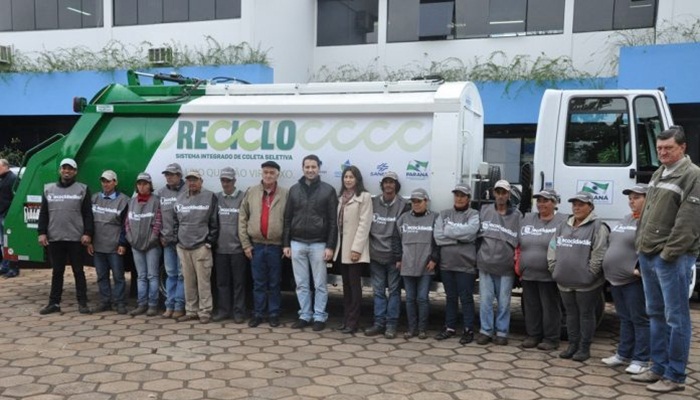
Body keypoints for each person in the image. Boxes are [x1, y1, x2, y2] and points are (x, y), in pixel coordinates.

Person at [632, 126, 700, 393]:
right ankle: (658, 368)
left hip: (672, 258)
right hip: (649, 254)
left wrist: (667, 255)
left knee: (677, 318)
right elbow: (649, 214)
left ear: (682, 148)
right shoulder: (661, 172)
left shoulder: (693, 175)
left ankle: (675, 376)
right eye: (659, 148)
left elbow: (688, 224)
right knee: (656, 314)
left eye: (668, 148)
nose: (662, 152)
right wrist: (641, 248)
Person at [547, 191, 609, 362]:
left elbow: (599, 253)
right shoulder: (563, 225)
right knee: (571, 314)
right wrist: (554, 268)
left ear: (590, 207)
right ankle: (572, 345)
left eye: (581, 204)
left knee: (586, 315)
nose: (577, 207)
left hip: (587, 283)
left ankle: (584, 348)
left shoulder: (598, 227)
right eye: (574, 204)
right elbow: (553, 247)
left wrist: (590, 274)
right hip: (564, 280)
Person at [283, 154, 338, 332]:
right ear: (302, 168)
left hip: (318, 244)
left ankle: (320, 316)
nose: (310, 170)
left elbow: (332, 222)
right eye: (307, 167)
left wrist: (330, 246)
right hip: (297, 243)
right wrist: (286, 244)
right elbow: (287, 218)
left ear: (319, 168)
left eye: (313, 167)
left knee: (320, 283)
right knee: (301, 283)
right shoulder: (294, 190)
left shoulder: (328, 190)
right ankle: (305, 315)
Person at [601, 184, 650, 374]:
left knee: (640, 319)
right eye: (630, 197)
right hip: (616, 280)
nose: (632, 201)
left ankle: (641, 359)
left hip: (633, 281)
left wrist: (638, 268)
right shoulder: (627, 218)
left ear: (648, 199)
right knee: (625, 318)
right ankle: (623, 354)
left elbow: (651, 248)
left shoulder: (648, 221)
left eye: (636, 197)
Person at [37, 158, 94, 315]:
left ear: (75, 172)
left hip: (76, 238)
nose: (67, 171)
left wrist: (88, 233)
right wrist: (41, 232)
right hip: (55, 238)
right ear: (60, 170)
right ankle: (54, 303)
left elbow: (88, 214)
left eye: (70, 169)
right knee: (57, 272)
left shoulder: (82, 189)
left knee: (78, 271)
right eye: (64, 168)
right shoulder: (48, 189)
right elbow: (43, 213)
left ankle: (82, 303)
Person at [239, 161, 289, 328]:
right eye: (266, 172)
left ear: (277, 175)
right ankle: (258, 314)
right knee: (258, 282)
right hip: (257, 246)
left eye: (272, 172)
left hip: (275, 247)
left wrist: (285, 244)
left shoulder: (285, 194)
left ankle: (274, 313)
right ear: (261, 173)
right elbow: (242, 218)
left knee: (274, 283)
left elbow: (289, 221)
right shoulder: (252, 192)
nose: (268, 175)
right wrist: (246, 245)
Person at [519, 189, 567, 350]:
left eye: (545, 201)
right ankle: (533, 335)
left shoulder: (563, 221)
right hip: (528, 273)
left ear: (554, 203)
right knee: (531, 306)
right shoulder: (527, 218)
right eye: (539, 201)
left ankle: (551, 339)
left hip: (549, 275)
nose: (541, 204)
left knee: (550, 307)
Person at [364, 171, 409, 339]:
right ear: (382, 185)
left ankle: (391, 325)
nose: (388, 185)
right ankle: (378, 324)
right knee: (378, 292)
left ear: (396, 185)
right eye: (386, 182)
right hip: (375, 255)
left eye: (392, 182)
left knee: (395, 292)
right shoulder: (373, 202)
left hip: (393, 257)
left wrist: (400, 256)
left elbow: (404, 233)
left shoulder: (404, 205)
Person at [476, 180, 521, 346]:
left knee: (504, 302)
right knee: (486, 300)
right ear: (494, 193)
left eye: (504, 192)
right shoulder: (485, 210)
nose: (501, 196)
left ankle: (502, 332)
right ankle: (485, 331)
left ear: (509, 195)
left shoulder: (517, 215)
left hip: (506, 266)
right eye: (498, 192)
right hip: (486, 263)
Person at [433, 184, 479, 344]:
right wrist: (460, 237)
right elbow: (438, 236)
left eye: (462, 195)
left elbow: (472, 233)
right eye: (457, 195)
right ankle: (449, 327)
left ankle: (468, 330)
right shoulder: (444, 214)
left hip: (466, 265)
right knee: (451, 297)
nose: (459, 198)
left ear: (468, 198)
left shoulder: (474, 214)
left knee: (466, 298)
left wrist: (450, 231)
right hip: (447, 265)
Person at [393, 188, 439, 340]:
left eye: (419, 201)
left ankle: (422, 329)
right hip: (407, 264)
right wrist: (398, 258)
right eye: (413, 201)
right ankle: (412, 329)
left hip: (426, 265)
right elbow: (396, 240)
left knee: (422, 298)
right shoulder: (403, 218)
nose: (416, 204)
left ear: (427, 202)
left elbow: (438, 241)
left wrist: (434, 259)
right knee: (410, 298)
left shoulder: (435, 218)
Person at [174, 170, 219, 324]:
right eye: (189, 180)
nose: (192, 183)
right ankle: (191, 311)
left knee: (203, 282)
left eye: (195, 180)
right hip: (183, 247)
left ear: (201, 181)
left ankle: (205, 311)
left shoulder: (209, 196)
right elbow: (175, 221)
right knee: (188, 282)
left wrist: (209, 242)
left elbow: (215, 222)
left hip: (201, 247)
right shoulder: (180, 197)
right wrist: (177, 240)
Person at [334, 165, 372, 334]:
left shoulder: (364, 197)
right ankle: (346, 319)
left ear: (357, 179)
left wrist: (357, 248)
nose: (348, 180)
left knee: (355, 287)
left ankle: (353, 322)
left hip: (354, 248)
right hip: (341, 246)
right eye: (346, 177)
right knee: (346, 286)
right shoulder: (340, 197)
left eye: (351, 177)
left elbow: (365, 224)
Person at [89, 170, 129, 315]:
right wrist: (89, 242)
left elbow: (127, 225)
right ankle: (105, 301)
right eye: (103, 181)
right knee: (101, 276)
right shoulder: (94, 198)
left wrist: (122, 243)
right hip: (98, 245)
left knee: (118, 276)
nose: (106, 184)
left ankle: (119, 303)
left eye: (109, 181)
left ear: (115, 182)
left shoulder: (124, 200)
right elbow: (89, 222)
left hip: (115, 246)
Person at [213, 167, 247, 323]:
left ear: (234, 181)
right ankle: (223, 310)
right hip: (220, 249)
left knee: (239, 283)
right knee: (222, 283)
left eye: (228, 180)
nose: (225, 183)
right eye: (223, 180)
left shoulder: (242, 198)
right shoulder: (217, 198)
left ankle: (239, 312)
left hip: (238, 249)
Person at [125, 172, 162, 317]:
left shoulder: (155, 201)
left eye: (145, 184)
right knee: (141, 276)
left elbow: (158, 224)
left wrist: (151, 241)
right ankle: (141, 304)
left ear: (150, 185)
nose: (142, 186)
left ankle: (153, 305)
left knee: (152, 276)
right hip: (136, 245)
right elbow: (127, 223)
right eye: (139, 184)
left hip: (151, 246)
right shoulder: (132, 202)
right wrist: (131, 239)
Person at [157, 163, 186, 319]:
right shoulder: (161, 193)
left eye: (172, 174)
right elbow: (158, 216)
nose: (169, 177)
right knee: (171, 274)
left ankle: (180, 306)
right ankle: (169, 306)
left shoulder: (187, 190)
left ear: (179, 176)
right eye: (167, 174)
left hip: (183, 242)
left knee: (182, 275)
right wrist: (161, 234)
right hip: (167, 241)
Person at [0, 159, 18, 278]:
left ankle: (13, 268)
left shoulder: (13, 179)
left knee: (9, 242)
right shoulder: (3, 178)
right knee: (2, 242)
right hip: (2, 213)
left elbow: (16, 198)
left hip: (7, 214)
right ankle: (5, 266)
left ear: (6, 166)